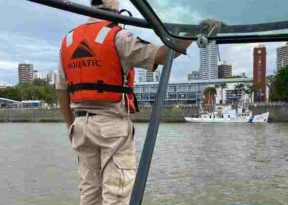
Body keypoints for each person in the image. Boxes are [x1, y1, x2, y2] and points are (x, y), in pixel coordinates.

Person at [56, 0, 224, 204]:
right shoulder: (117, 36)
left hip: (80, 128)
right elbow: (162, 55)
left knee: (89, 193)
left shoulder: (68, 41)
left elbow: (61, 89)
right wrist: (191, 33)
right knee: (116, 196)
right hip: (111, 127)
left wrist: (70, 126)